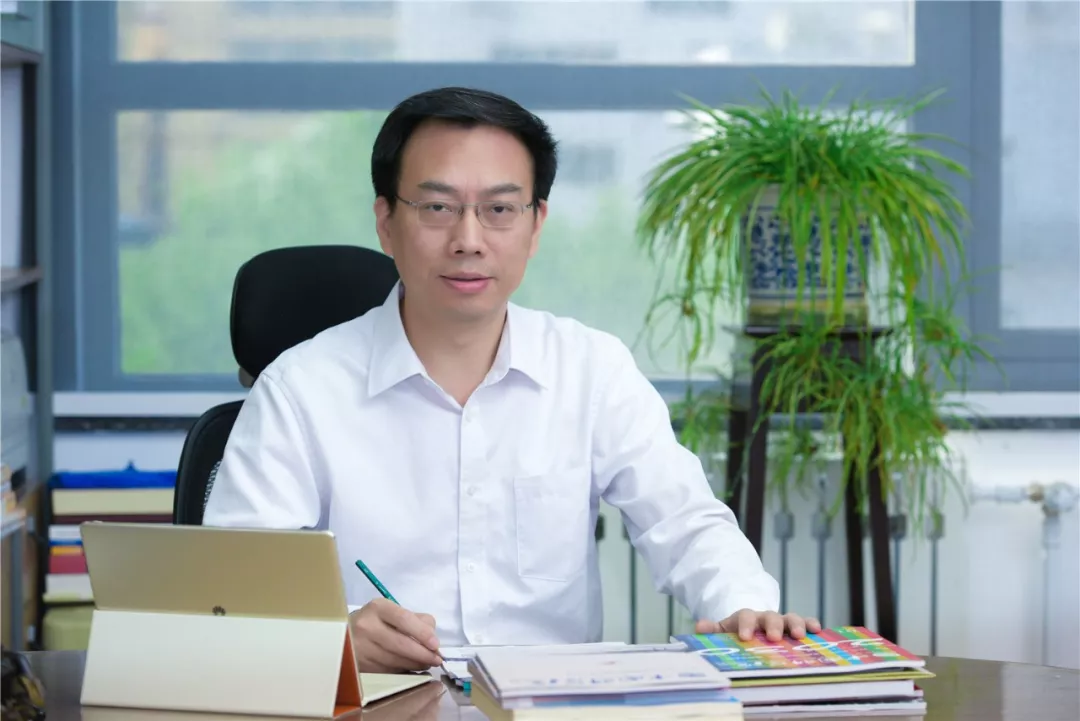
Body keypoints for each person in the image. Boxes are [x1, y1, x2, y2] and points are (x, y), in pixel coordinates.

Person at [203, 86, 820, 674]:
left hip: (552, 701)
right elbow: (229, 594)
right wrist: (335, 634)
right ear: (386, 221)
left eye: (499, 210)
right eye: (438, 208)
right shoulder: (300, 390)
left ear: (535, 223)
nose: (468, 240)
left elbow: (684, 521)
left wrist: (743, 607)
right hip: (379, 700)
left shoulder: (591, 369)